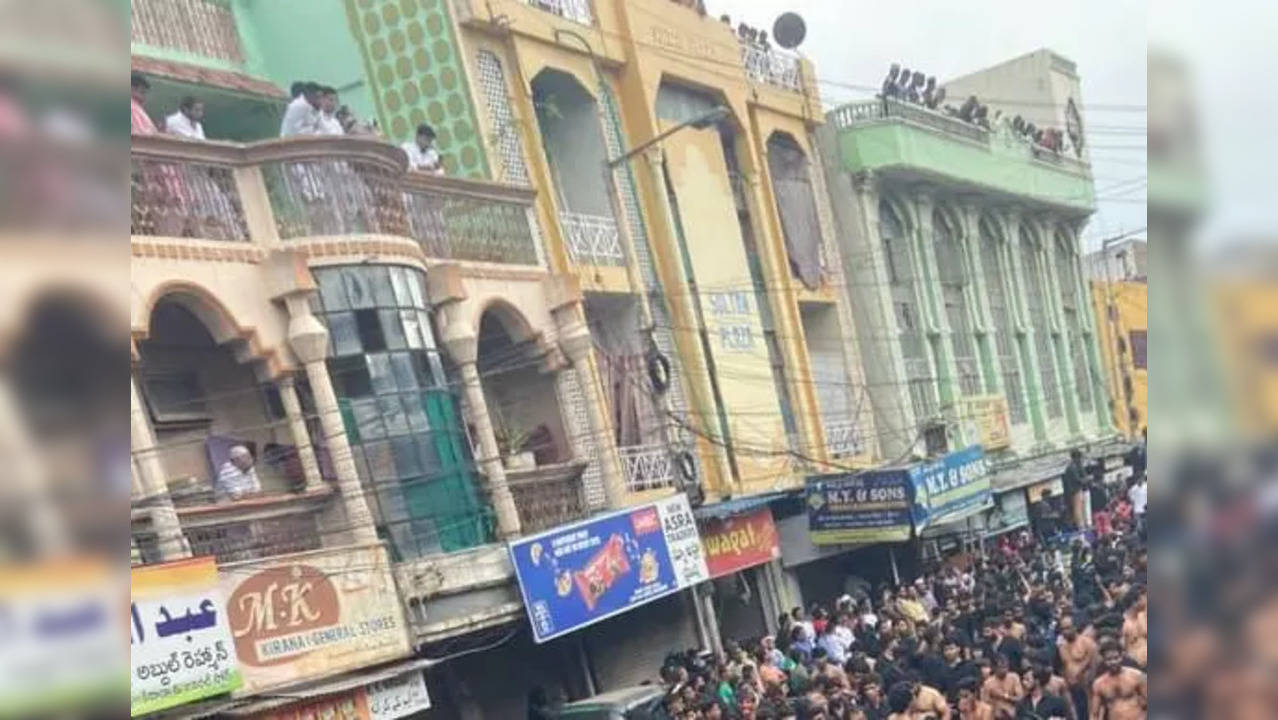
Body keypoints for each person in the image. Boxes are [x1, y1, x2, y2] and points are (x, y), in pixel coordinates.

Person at [1088, 642, 1145, 720]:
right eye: (1109, 659)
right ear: (1103, 659)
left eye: (1116, 658)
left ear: (1121, 656)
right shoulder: (1099, 684)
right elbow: (1094, 714)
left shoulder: (1137, 676)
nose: (1113, 662)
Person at [1057, 614, 1096, 720]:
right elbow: (1063, 668)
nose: (1065, 631)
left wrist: (1089, 681)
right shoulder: (1061, 648)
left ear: (1075, 627)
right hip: (1072, 689)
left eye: (1068, 627)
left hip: (1088, 687)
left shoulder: (1087, 643)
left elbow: (1094, 664)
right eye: (1063, 629)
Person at [981, 655, 1024, 720]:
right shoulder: (988, 683)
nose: (1004, 670)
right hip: (995, 714)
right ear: (994, 668)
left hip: (1013, 713)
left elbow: (1020, 698)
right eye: (1001, 667)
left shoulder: (1014, 677)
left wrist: (1004, 696)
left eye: (1006, 667)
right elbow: (984, 703)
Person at [1062, 450, 1087, 529]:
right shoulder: (1072, 467)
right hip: (1074, 491)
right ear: (1076, 458)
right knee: (1078, 509)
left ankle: (1082, 524)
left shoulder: (1074, 466)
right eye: (1079, 458)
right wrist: (1085, 480)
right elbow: (1078, 479)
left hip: (1075, 490)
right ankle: (1080, 526)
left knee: (1080, 507)